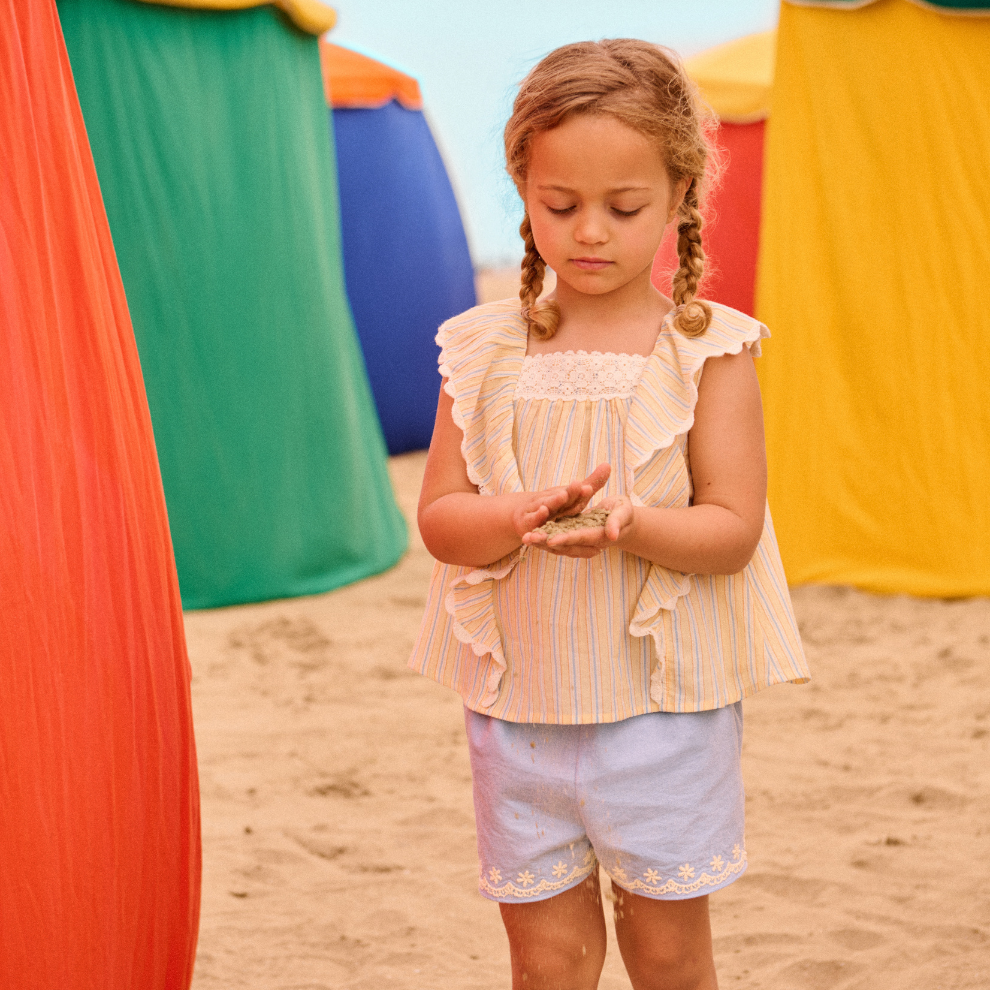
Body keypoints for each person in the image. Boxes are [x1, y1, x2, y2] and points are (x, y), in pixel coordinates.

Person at [410, 39, 810, 990]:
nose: (590, 232)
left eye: (624, 208)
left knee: (669, 959)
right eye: (560, 205)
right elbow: (440, 518)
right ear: (523, 190)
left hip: (664, 724)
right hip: (519, 719)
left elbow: (733, 530)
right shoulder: (482, 350)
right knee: (546, 963)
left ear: (679, 198)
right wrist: (515, 513)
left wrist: (635, 526)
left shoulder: (707, 352)